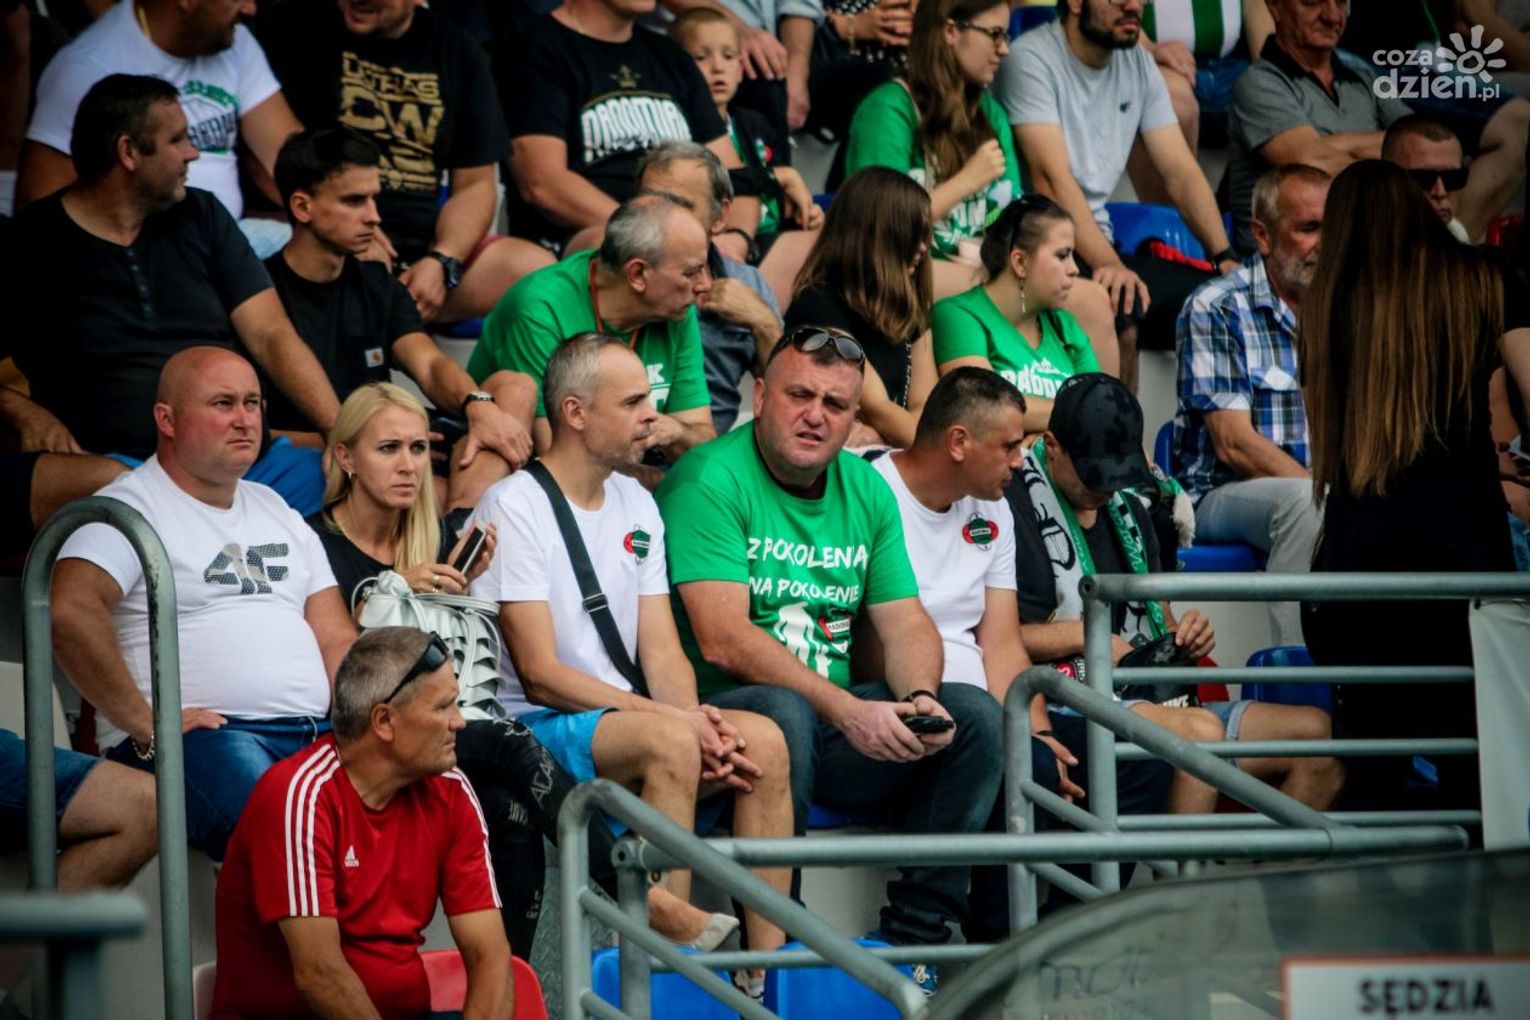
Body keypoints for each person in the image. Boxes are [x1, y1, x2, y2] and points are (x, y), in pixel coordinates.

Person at [658, 326, 1004, 986]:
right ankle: (778, 948)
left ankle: (915, 942)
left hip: (832, 725)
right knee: (784, 712)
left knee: (975, 717)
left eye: (836, 404)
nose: (816, 415)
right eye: (800, 395)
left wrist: (920, 698)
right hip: (726, 728)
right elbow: (723, 638)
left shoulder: (865, 487)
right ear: (761, 397)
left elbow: (906, 622)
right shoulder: (709, 478)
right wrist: (848, 711)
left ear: (853, 419)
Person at [470, 335, 793, 982]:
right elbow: (540, 675)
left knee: (764, 742)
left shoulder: (638, 501)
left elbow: (662, 651)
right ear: (575, 412)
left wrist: (699, 719)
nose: (653, 415)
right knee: (671, 742)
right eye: (633, 402)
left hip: (618, 719)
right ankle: (660, 973)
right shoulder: (514, 505)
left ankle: (768, 973)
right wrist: (672, 723)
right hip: (532, 728)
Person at [308, 381, 620, 955]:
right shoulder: (312, 543)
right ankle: (632, 892)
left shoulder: (436, 538)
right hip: (366, 733)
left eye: (419, 449)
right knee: (506, 739)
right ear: (346, 457)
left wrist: (456, 590)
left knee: (512, 810)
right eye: (388, 449)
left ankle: (510, 986)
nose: (409, 465)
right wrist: (396, 591)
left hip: (437, 728)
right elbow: (341, 667)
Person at [870, 367, 1173, 938]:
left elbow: (1002, 644)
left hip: (984, 707)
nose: (1020, 461)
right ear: (958, 442)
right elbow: (873, 640)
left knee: (1134, 757)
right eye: (1009, 446)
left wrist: (1038, 730)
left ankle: (1059, 936)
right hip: (905, 700)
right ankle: (994, 945)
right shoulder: (872, 489)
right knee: (1009, 751)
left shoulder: (994, 508)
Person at [48, 347, 357, 861]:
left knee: (411, 814)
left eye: (253, 403)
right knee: (289, 839)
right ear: (166, 419)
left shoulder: (277, 509)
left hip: (315, 736)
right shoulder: (128, 508)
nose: (244, 419)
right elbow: (69, 610)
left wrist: (364, 723)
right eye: (223, 403)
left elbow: (335, 636)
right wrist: (147, 724)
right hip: (205, 740)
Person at [1, 74, 343, 515]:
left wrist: (340, 430)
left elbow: (271, 333)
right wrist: (24, 412)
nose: (193, 153)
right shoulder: (32, 242)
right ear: (128, 152)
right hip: (120, 468)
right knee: (108, 489)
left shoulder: (202, 215)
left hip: (246, 469)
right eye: (178, 140)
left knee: (360, 480)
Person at [1299, 159, 1530, 811]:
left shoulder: (1329, 303)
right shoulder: (1485, 276)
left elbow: (1359, 448)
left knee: (1372, 775)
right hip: (1466, 561)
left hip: (1359, 566)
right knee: (1480, 775)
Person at [1010, 372, 1343, 814]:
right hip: (1074, 700)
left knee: (1320, 739)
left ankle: (1253, 863)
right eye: (1094, 476)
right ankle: (1181, 862)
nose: (1106, 489)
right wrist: (1087, 637)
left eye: (1115, 475)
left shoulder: (1132, 507)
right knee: (1199, 734)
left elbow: (1161, 621)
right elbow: (997, 639)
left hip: (1153, 694)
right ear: (1052, 446)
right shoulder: (1013, 506)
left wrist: (1186, 636)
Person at [210, 626, 512, 1019]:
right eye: (443, 707)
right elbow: (320, 975)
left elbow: (490, 956)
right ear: (384, 721)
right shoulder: (300, 795)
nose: (459, 722)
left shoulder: (451, 789)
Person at [268, 127, 536, 512]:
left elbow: (429, 364)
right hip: (331, 458)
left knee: (516, 386)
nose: (374, 217)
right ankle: (464, 521)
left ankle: (462, 521)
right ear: (302, 207)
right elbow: (254, 432)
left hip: (405, 446)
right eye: (355, 201)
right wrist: (378, 440)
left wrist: (478, 405)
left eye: (374, 199)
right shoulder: (259, 295)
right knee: (436, 492)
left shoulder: (376, 284)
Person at [256, 0, 554, 325]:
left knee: (534, 270)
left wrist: (442, 261)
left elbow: (475, 186)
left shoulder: (458, 51)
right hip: (333, 232)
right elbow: (275, 159)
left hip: (422, 252)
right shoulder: (300, 29)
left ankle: (402, 320)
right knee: (364, 274)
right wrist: (349, 228)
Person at [1000, 0, 1239, 392]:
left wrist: (1224, 256)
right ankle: (1118, 432)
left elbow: (1181, 172)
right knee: (1123, 307)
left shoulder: (1138, 63)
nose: (1134, 6)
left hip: (1101, 246)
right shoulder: (1030, 59)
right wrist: (1111, 265)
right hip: (1041, 244)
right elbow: (1053, 183)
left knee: (1222, 300)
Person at [1226, 0, 1529, 253]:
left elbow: (1423, 147)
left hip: (1364, 253)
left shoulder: (1363, 78)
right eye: (1313, 2)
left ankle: (1448, 252)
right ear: (1275, 7)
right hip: (1293, 262)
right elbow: (1313, 164)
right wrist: (1393, 152)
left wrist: (1334, 143)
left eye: (1341, 3)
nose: (1332, 15)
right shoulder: (1259, 83)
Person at [1173, 164, 1330, 649]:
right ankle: (1298, 672)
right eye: (1308, 228)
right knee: (1306, 505)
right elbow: (1234, 445)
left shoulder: (1351, 308)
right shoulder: (1217, 305)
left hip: (1321, 491)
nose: (1325, 244)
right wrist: (1332, 501)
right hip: (1221, 494)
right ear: (1262, 235)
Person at [17, 0, 302, 256]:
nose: (251, 8)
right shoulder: (87, 66)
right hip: (148, 254)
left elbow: (294, 162)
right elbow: (40, 213)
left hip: (230, 239)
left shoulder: (232, 40)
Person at [469, 195, 717, 471]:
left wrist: (678, 432)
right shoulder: (540, 311)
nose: (705, 285)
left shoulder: (673, 309)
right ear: (637, 274)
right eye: (691, 272)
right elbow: (558, 464)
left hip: (629, 472)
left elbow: (703, 442)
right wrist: (652, 480)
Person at [498, 0, 755, 256]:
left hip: (694, 240)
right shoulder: (534, 48)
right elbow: (544, 184)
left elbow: (735, 178)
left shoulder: (669, 55)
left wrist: (738, 238)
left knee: (780, 250)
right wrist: (654, 234)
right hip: (594, 240)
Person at [844, 0, 1021, 296]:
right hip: (901, 276)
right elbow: (881, 232)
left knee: (1081, 295)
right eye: (995, 34)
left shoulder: (991, 115)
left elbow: (1016, 219)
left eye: (1006, 36)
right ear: (951, 31)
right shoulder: (887, 111)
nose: (1004, 49)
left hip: (978, 272)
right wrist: (967, 181)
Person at [670, 7, 823, 311]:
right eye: (701, 57)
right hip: (726, 247)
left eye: (729, 56)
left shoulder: (755, 124)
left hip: (773, 237)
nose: (718, 68)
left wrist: (806, 213)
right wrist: (777, 176)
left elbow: (782, 197)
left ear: (741, 67)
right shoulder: (679, 129)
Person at [636, 140, 783, 435]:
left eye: (679, 206)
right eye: (649, 202)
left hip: (709, 450)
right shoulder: (619, 275)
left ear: (720, 216)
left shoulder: (747, 283)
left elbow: (787, 400)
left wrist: (764, 324)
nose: (659, 218)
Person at [784, 167, 937, 448]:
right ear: (877, 236)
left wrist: (888, 434)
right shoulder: (818, 305)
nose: (923, 247)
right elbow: (876, 408)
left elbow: (926, 408)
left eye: (925, 235)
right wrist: (931, 446)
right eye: (913, 233)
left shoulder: (907, 307)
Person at [932, 194, 1101, 439]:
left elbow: (1101, 410)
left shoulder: (1067, 328)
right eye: (1063, 255)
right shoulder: (959, 315)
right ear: (1020, 261)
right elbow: (984, 406)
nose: (1074, 269)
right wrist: (1073, 415)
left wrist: (1042, 436)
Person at [1381, 114, 1510, 245]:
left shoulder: (1455, 232)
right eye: (1423, 179)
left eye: (1452, 178)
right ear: (1387, 180)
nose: (1440, 192)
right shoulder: (1370, 243)